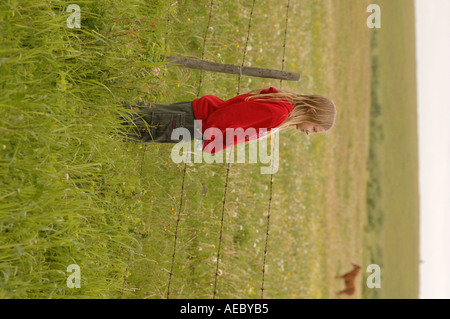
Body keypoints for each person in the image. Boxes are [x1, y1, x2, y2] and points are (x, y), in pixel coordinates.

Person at [121, 87, 336, 154]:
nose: (309, 133)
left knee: (144, 117)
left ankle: (100, 110)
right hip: (196, 122)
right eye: (314, 129)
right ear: (311, 110)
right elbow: (232, 117)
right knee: (137, 128)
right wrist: (210, 138)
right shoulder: (279, 113)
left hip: (197, 114)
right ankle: (97, 122)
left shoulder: (283, 103)